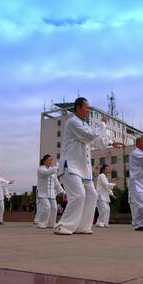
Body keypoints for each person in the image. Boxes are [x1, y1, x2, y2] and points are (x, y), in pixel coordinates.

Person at [54, 97, 122, 235]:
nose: (88, 110)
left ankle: (82, 226)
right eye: (86, 107)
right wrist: (102, 124)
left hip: (83, 170)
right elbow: (90, 135)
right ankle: (63, 225)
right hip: (70, 166)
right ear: (78, 107)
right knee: (79, 195)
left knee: (92, 195)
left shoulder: (84, 124)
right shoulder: (72, 122)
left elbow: (95, 140)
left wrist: (111, 142)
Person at [36, 155, 65, 229]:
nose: (50, 162)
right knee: (47, 207)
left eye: (51, 160)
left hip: (52, 194)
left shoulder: (53, 170)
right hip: (43, 193)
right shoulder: (40, 169)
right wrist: (56, 168)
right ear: (44, 161)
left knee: (54, 208)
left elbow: (56, 183)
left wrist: (61, 191)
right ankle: (42, 223)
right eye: (49, 160)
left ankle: (51, 223)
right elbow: (46, 173)